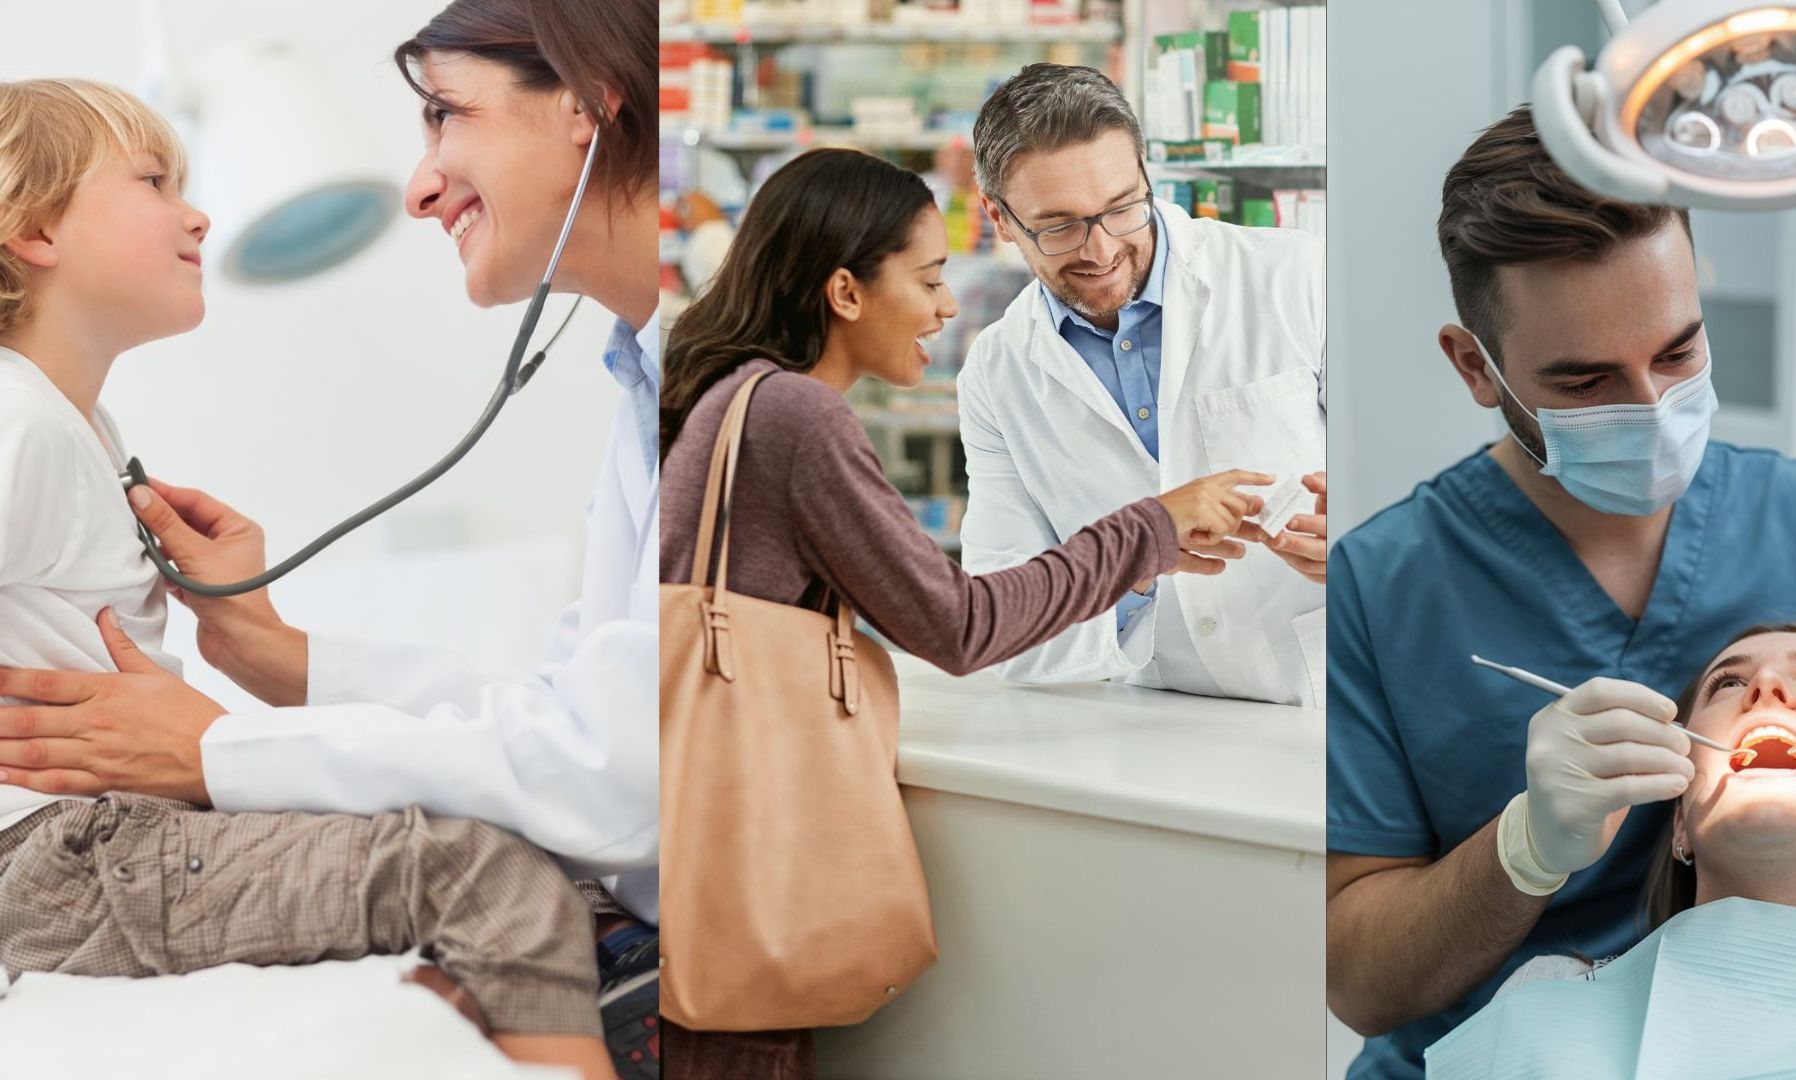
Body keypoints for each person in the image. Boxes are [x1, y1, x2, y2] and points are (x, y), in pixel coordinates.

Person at [0, 2, 664, 1075]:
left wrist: (216, 740)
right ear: (35, 233)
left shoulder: (69, 424)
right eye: (154, 182)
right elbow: (587, 742)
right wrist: (260, 676)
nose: (418, 185)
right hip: (71, 849)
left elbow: (600, 758)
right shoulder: (24, 417)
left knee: (501, 873)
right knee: (490, 880)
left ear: (590, 106)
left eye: (445, 115)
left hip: (105, 839)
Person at [1323, 105, 1796, 1079]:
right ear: (1476, 365)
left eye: (1678, 351)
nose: (1652, 408)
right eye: (1588, 380)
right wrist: (1523, 850)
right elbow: (1359, 983)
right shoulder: (1383, 587)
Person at [658, 146, 1271, 1080]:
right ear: (845, 291)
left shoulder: (730, 396)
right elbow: (960, 625)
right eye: (930, 277)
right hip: (744, 898)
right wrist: (1150, 527)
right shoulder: (795, 419)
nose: (949, 308)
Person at [958, 63, 1327, 706]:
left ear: (1147, 178)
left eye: (1123, 207)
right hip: (1155, 719)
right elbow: (997, 621)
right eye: (1059, 225)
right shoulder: (997, 373)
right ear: (999, 217)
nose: (1100, 251)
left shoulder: (1296, 277)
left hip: (1323, 702)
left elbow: (1414, 497)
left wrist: (1361, 542)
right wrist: (1135, 560)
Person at [1426, 624, 1796, 1076]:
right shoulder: (1553, 991)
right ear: (1681, 822)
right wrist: (1527, 847)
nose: (1767, 685)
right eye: (1726, 683)